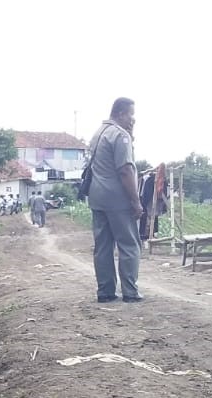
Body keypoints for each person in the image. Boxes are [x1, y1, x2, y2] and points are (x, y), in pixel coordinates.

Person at [87, 97, 144, 302]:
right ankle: (130, 292)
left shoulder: (98, 133)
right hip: (117, 199)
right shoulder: (120, 136)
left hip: (97, 197)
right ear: (120, 113)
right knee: (129, 244)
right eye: (130, 114)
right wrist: (136, 202)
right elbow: (126, 170)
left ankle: (105, 292)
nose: (133, 119)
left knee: (103, 246)